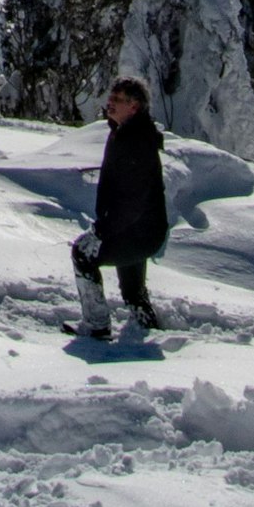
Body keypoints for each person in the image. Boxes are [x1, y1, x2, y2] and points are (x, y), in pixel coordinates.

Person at [68, 75, 169, 341]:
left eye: (117, 100)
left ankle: (97, 325)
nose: (109, 104)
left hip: (136, 232)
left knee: (83, 255)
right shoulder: (127, 133)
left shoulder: (134, 141)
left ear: (134, 106)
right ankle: (149, 327)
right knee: (133, 291)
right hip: (142, 230)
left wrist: (101, 231)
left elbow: (132, 200)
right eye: (110, 98)